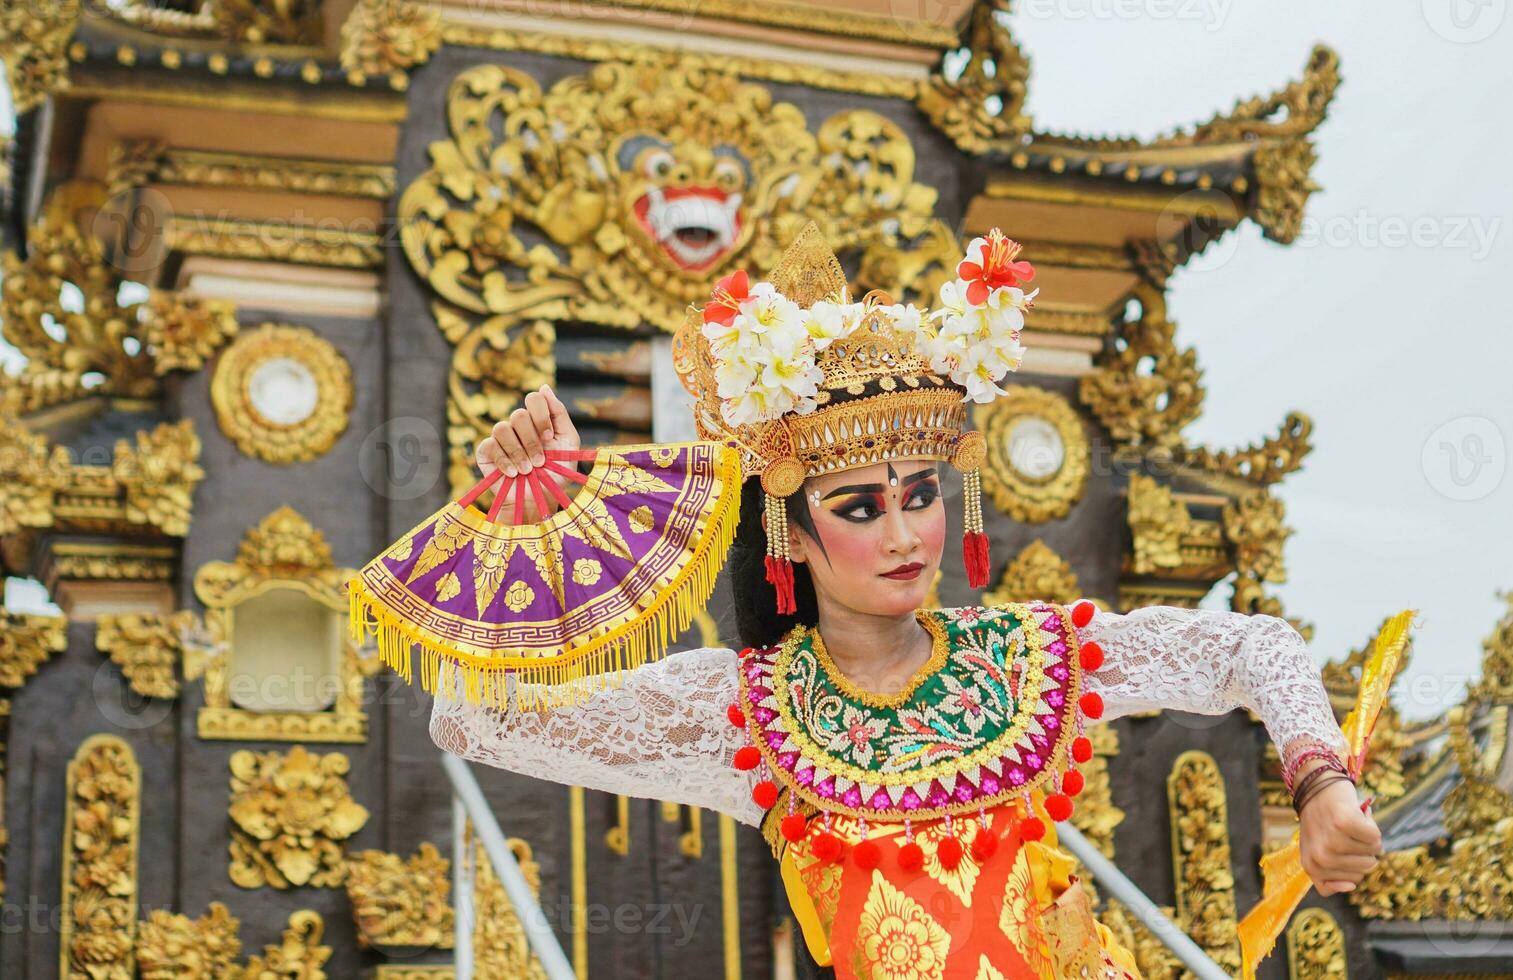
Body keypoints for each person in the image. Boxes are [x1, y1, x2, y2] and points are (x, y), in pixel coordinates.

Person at [415, 226, 1382, 978]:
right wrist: (520, 516)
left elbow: (1255, 648)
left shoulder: (1026, 659)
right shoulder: (744, 716)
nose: (905, 536)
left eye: (921, 494)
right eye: (860, 507)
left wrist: (1318, 779)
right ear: (790, 533)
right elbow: (473, 719)